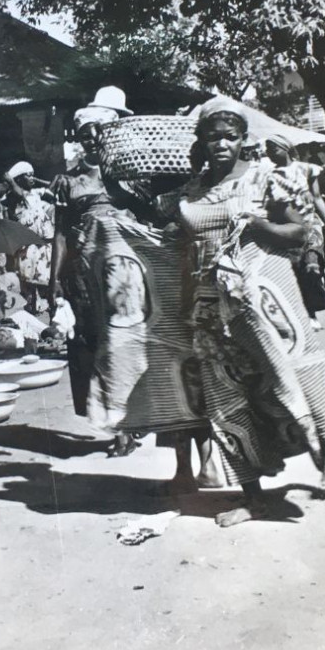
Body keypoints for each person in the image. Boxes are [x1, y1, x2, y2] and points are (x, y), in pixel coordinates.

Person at [157, 97, 325, 526]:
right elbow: (174, 234)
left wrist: (258, 224)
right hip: (210, 307)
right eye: (213, 137)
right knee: (227, 396)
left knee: (294, 374)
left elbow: (299, 232)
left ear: (244, 140)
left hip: (266, 297)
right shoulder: (192, 189)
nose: (221, 144)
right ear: (202, 142)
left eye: (230, 137)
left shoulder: (265, 178)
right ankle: (251, 495)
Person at [48, 104, 212, 485]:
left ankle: (205, 462)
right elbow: (63, 233)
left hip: (160, 278)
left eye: (98, 130)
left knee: (183, 365)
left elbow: (158, 214)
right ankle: (165, 456)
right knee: (135, 360)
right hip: (109, 283)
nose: (91, 137)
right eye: (85, 131)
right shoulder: (76, 181)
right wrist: (55, 279)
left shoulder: (142, 177)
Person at [266, 133, 325, 330]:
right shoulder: (269, 176)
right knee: (295, 272)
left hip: (310, 226)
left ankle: (313, 311)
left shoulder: (307, 169)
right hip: (287, 230)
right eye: (267, 149)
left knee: (311, 269)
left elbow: (317, 199)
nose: (269, 153)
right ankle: (305, 314)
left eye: (273, 148)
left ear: (286, 148)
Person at [4, 161, 55, 313]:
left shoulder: (38, 193)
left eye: (33, 175)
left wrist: (34, 178)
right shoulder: (12, 196)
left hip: (44, 245)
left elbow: (54, 185)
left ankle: (47, 310)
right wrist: (12, 180)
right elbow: (19, 193)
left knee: (46, 281)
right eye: (28, 175)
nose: (32, 178)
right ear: (18, 179)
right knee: (29, 282)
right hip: (28, 247)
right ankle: (31, 311)